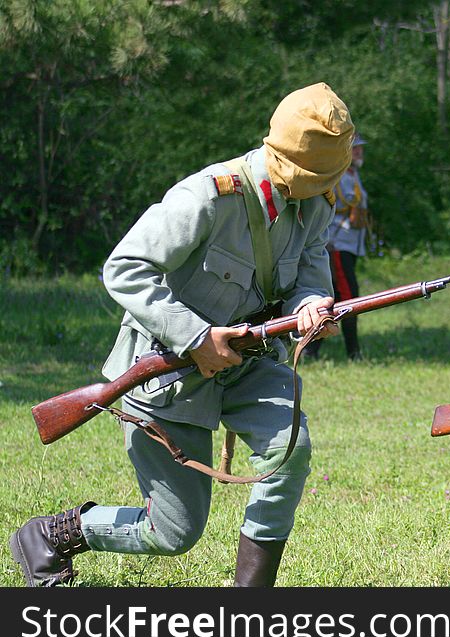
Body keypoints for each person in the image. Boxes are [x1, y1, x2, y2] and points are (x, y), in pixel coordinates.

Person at [9, 82, 354, 587]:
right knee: (173, 533)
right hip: (168, 374)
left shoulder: (315, 203)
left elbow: (310, 271)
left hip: (248, 365)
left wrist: (311, 305)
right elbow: (124, 268)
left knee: (290, 448)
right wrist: (194, 337)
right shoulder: (208, 198)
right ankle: (54, 534)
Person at [303, 132, 369, 360]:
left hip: (350, 246)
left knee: (337, 298)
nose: (359, 152)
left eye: (360, 148)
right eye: (355, 148)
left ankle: (312, 351)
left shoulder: (353, 175)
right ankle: (353, 353)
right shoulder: (336, 177)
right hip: (337, 245)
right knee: (349, 298)